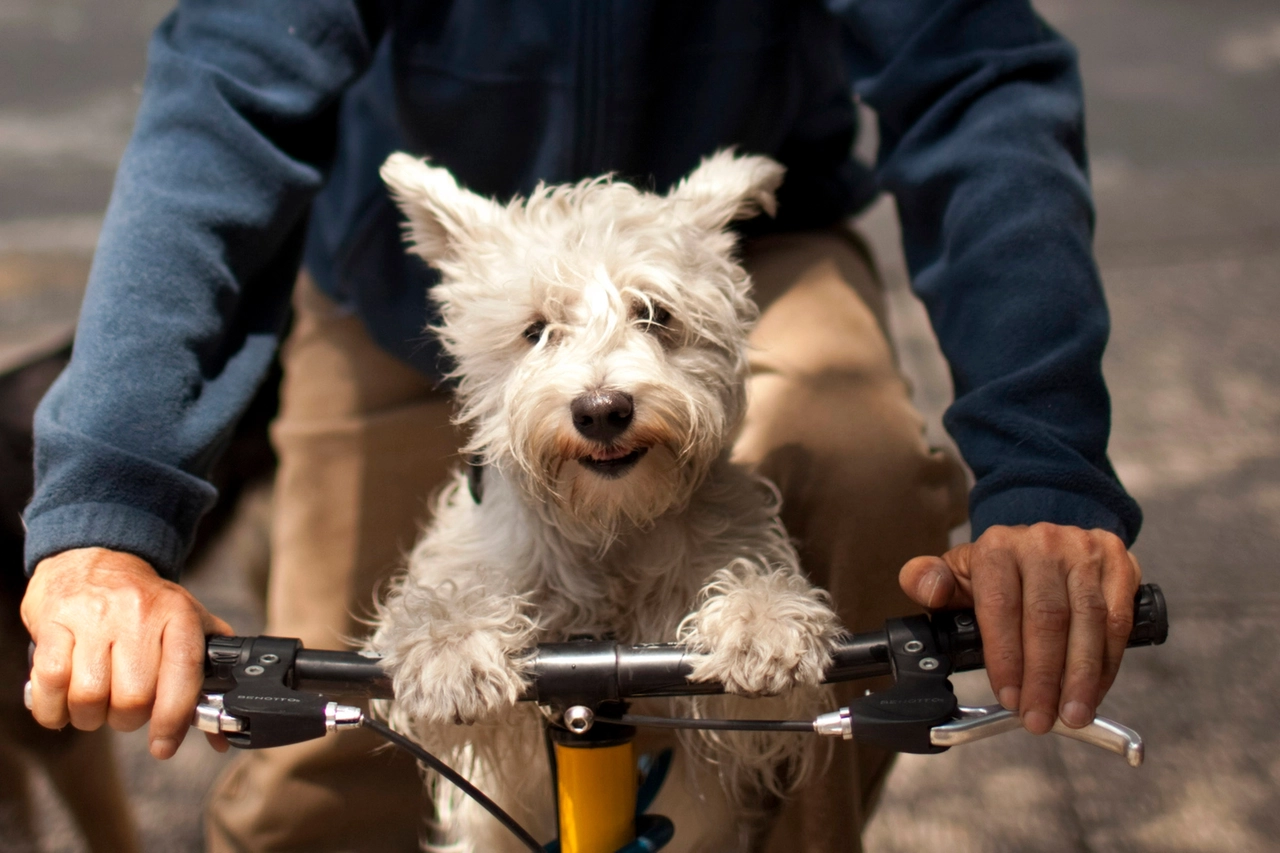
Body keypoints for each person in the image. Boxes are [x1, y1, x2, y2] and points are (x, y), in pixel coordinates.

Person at [19, 1, 1144, 850]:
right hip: (417, 284)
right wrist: (108, 518)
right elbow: (222, 95)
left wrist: (1041, 474)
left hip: (719, 248)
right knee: (326, 760)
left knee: (861, 476)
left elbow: (971, 66)